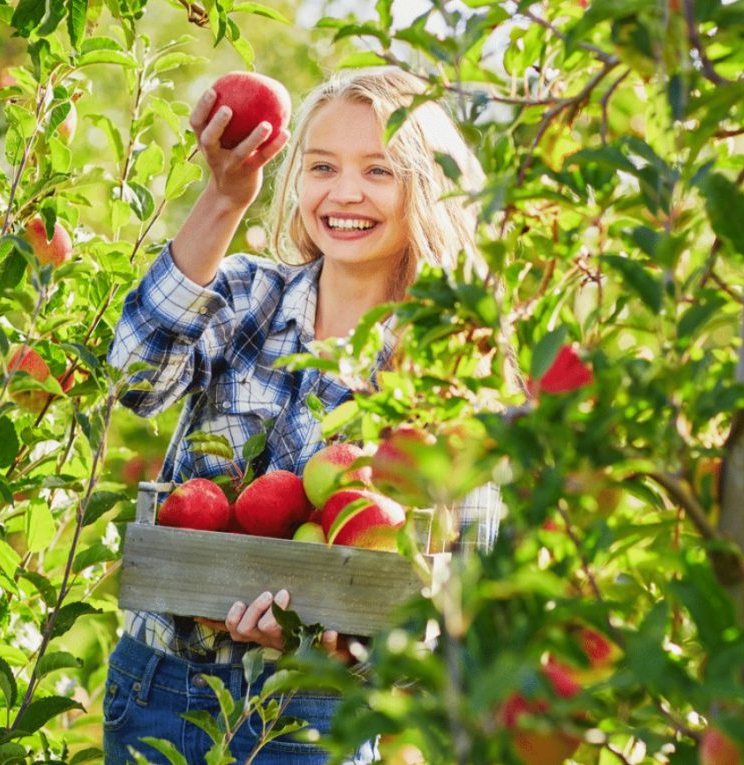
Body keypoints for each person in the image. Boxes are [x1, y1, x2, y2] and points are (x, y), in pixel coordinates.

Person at [103, 66, 501, 764]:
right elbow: (135, 380)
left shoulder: (450, 368)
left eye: (378, 169)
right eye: (322, 166)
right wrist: (224, 200)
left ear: (425, 184)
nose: (344, 192)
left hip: (315, 721)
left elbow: (466, 604)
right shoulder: (244, 296)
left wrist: (320, 644)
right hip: (160, 688)